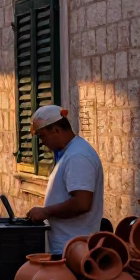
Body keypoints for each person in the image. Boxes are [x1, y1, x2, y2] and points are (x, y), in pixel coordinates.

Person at [25, 105, 104, 255]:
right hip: (67, 246)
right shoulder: (70, 153)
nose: (42, 142)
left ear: (55, 130)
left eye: (42, 136)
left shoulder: (78, 156)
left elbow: (82, 203)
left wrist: (46, 212)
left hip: (75, 249)